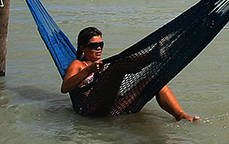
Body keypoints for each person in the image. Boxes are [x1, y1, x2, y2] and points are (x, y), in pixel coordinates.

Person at [61, 26, 199, 121]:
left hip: (114, 107)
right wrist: (89, 70)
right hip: (91, 109)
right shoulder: (78, 64)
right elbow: (65, 87)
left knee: (155, 80)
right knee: (116, 66)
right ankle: (151, 56)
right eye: (93, 45)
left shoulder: (101, 65)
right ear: (82, 47)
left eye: (101, 45)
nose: (98, 48)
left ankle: (181, 115)